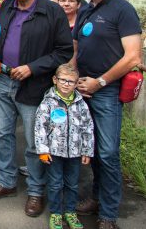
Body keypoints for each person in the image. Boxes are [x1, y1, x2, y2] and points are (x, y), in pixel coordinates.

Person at [0, 0, 73, 218]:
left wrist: (32, 68)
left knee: (35, 142)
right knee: (1, 134)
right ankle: (7, 182)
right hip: (3, 80)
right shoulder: (7, 6)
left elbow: (64, 51)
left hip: (34, 85)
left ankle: (36, 191)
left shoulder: (52, 12)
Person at [73, 0, 142, 229]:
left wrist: (99, 82)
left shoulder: (122, 10)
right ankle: (96, 197)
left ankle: (109, 215)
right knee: (91, 149)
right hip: (83, 89)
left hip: (106, 91)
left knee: (108, 152)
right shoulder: (85, 10)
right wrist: (70, 75)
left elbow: (133, 57)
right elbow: (77, 51)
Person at [34, 63, 94, 229]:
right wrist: (43, 150)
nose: (66, 84)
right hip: (54, 153)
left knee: (72, 184)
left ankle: (70, 212)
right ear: (55, 80)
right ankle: (56, 213)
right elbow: (40, 127)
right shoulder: (48, 102)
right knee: (54, 183)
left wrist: (87, 150)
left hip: (74, 153)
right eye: (63, 80)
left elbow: (87, 127)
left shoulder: (80, 103)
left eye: (71, 81)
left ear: (76, 84)